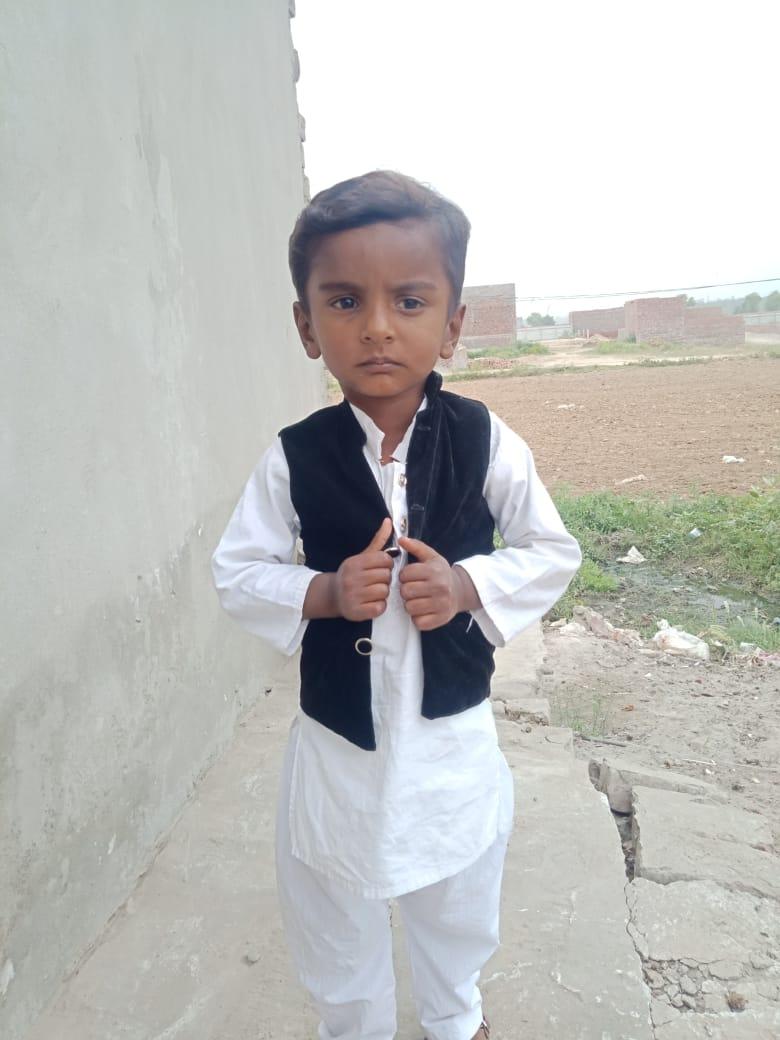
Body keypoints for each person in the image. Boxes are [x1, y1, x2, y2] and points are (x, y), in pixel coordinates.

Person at [212, 171, 581, 1040]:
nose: (377, 326)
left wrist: (465, 585)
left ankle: (455, 1017)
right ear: (307, 326)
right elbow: (238, 571)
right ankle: (356, 1028)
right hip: (339, 750)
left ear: (451, 323)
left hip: (451, 745)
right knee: (334, 914)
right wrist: (323, 591)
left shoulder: (487, 440)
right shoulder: (294, 457)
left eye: (409, 301)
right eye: (344, 301)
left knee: (457, 897)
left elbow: (550, 550)